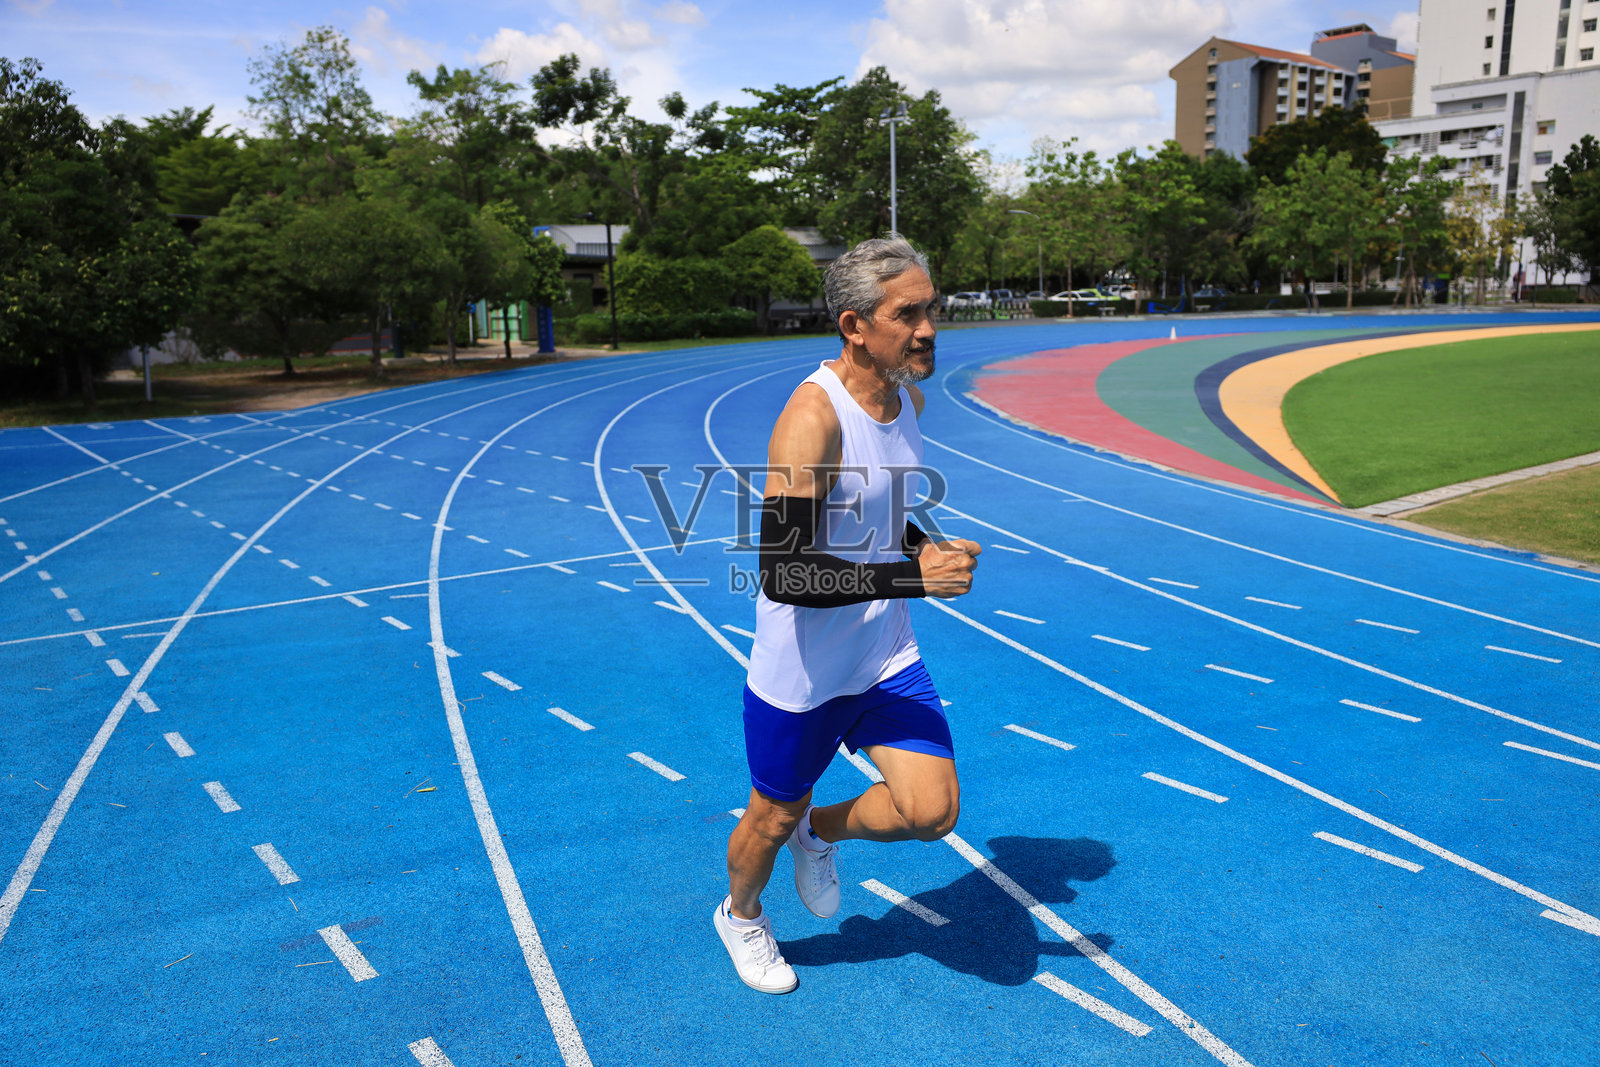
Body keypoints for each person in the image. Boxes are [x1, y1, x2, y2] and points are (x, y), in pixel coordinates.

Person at [713, 235, 983, 993]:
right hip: (804, 672)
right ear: (854, 324)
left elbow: (883, 513)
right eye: (909, 314)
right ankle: (740, 916)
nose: (928, 327)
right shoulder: (812, 418)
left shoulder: (905, 400)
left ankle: (820, 829)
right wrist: (912, 576)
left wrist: (929, 550)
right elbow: (784, 570)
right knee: (767, 816)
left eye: (932, 309)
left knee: (933, 811)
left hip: (882, 654)